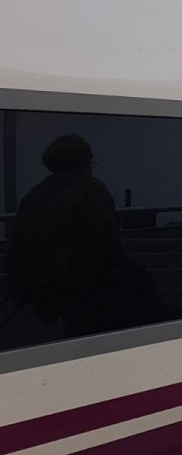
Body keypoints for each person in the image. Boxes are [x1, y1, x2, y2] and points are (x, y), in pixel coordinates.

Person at [8, 134, 123, 339]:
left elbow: (17, 249)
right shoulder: (91, 191)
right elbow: (107, 242)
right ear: (84, 163)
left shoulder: (34, 197)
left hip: (42, 291)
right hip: (86, 287)